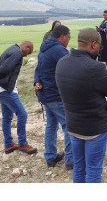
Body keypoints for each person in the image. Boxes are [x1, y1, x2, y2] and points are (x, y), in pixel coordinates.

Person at [55, 28, 107, 183]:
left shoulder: (62, 62)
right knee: (93, 170)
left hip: (73, 126)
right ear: (93, 44)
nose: (99, 49)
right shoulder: (95, 67)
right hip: (94, 128)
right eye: (100, 45)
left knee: (78, 167)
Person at [0, 41, 37, 155]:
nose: (26, 56)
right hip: (6, 89)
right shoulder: (17, 52)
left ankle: (8, 145)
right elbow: (4, 69)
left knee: (7, 118)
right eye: (29, 52)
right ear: (26, 47)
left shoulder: (9, 49)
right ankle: (22, 143)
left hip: (0, 89)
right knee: (22, 114)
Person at [34, 25, 73, 170]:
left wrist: (36, 82)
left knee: (51, 126)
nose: (69, 40)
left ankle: (50, 157)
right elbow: (70, 68)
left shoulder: (44, 49)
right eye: (69, 37)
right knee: (68, 127)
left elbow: (37, 69)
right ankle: (71, 160)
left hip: (46, 96)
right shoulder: (58, 50)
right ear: (63, 36)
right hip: (56, 95)